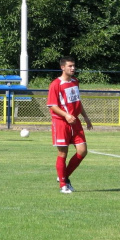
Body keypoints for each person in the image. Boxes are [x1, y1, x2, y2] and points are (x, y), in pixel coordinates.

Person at [47, 56, 93, 194]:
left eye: (74, 66)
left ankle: (63, 176)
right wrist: (66, 115)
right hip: (61, 122)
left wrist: (85, 117)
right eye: (70, 66)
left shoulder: (75, 82)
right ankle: (63, 184)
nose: (73, 68)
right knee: (63, 153)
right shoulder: (55, 84)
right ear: (63, 67)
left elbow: (77, 101)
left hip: (75, 122)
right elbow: (52, 106)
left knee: (82, 151)